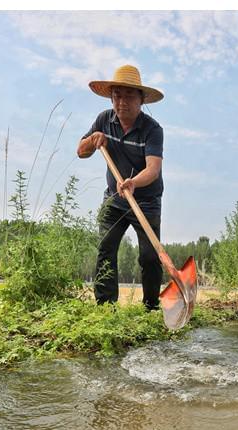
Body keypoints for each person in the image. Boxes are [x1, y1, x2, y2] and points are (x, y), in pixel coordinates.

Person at [77, 65, 165, 310]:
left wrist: (133, 182)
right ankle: (106, 307)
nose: (121, 102)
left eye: (128, 96)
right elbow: (80, 151)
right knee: (106, 248)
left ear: (141, 99)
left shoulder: (152, 130)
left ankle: (151, 307)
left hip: (146, 200)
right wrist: (92, 141)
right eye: (116, 95)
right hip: (114, 199)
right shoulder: (104, 120)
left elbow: (153, 169)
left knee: (149, 256)